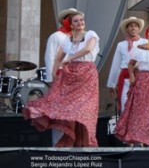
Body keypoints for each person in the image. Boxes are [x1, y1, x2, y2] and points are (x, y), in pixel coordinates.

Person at [23, 11, 100, 147]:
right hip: (70, 75)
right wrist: (53, 73)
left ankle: (86, 144)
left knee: (85, 109)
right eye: (76, 21)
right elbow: (58, 58)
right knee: (66, 107)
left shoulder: (90, 34)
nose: (80, 23)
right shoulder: (67, 40)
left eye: (81, 20)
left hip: (87, 75)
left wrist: (70, 58)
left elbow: (88, 49)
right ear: (70, 24)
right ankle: (69, 141)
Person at [43, 7, 79, 146]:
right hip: (59, 78)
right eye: (70, 19)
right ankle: (57, 147)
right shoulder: (56, 36)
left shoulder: (77, 38)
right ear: (66, 21)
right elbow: (50, 58)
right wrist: (52, 80)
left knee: (72, 115)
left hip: (74, 80)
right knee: (59, 115)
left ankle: (71, 146)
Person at [107, 16, 147, 113]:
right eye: (130, 26)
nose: (133, 28)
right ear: (127, 29)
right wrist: (112, 84)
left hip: (141, 76)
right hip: (125, 76)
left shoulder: (146, 42)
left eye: (135, 26)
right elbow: (116, 64)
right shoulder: (121, 45)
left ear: (138, 29)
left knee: (141, 105)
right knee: (125, 104)